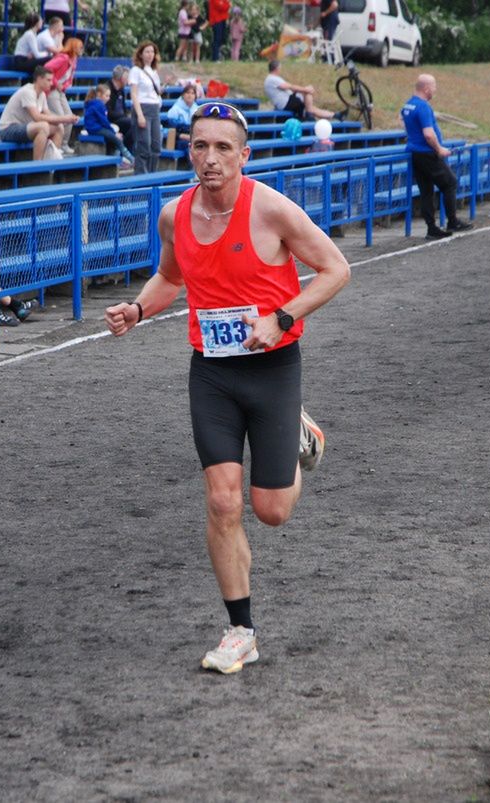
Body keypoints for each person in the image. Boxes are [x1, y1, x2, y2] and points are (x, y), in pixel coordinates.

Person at [104, 101, 349, 675]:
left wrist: (281, 319)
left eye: (222, 147)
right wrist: (137, 309)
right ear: (188, 151)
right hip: (212, 372)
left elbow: (336, 269)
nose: (210, 158)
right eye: (199, 146)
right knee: (221, 500)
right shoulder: (174, 215)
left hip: (273, 368)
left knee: (271, 510)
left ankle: (298, 434)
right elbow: (169, 277)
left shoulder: (271, 210)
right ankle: (240, 630)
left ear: (244, 155)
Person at [401, 73, 472, 240]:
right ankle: (452, 221)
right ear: (426, 88)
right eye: (433, 87)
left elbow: (402, 120)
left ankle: (431, 228)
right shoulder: (423, 107)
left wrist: (413, 136)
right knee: (450, 182)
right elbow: (428, 134)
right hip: (427, 153)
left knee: (426, 191)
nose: (435, 90)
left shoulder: (408, 105)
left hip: (415, 153)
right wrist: (439, 149)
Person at [0, 66, 77, 162]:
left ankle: (51, 163)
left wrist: (64, 120)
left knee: (59, 127)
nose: (51, 83)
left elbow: (48, 114)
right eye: (48, 80)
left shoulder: (42, 94)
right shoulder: (28, 92)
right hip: (8, 129)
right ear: (39, 79)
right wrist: (64, 119)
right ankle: (37, 164)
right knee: (43, 127)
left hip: (25, 128)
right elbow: (37, 117)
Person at [129, 41, 164, 174]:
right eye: (147, 52)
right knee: (144, 145)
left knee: (156, 145)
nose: (150, 55)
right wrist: (140, 115)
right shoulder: (136, 70)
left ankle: (152, 173)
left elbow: (155, 91)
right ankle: (141, 175)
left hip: (154, 108)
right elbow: (134, 93)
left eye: (152, 52)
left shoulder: (154, 71)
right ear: (141, 54)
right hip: (142, 107)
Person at [264, 59, 339, 121]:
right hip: (286, 103)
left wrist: (305, 90)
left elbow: (291, 89)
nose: (281, 70)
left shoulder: (273, 78)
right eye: (280, 68)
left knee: (310, 105)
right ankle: (310, 113)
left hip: (289, 101)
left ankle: (334, 115)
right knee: (307, 96)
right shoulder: (272, 79)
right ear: (277, 68)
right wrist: (306, 90)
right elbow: (290, 87)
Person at [44, 37, 83, 154]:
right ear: (74, 47)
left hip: (61, 91)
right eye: (80, 47)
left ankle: (64, 144)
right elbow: (47, 67)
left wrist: (64, 86)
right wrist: (56, 83)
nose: (82, 49)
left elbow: (69, 78)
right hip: (52, 90)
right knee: (61, 116)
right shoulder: (63, 57)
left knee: (69, 116)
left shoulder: (74, 60)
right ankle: (56, 145)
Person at [83, 83, 135, 167]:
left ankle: (117, 161)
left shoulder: (97, 104)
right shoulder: (98, 105)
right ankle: (130, 158)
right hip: (95, 128)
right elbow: (104, 121)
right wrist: (113, 132)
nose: (109, 98)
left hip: (96, 127)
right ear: (99, 95)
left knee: (115, 139)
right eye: (106, 96)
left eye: (109, 96)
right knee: (117, 139)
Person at [107, 64, 135, 154]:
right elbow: (108, 112)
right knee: (132, 123)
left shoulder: (121, 90)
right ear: (121, 78)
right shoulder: (107, 89)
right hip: (111, 120)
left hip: (121, 119)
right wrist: (123, 116)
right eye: (127, 77)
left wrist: (125, 116)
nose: (128, 80)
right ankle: (124, 150)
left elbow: (124, 108)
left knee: (135, 124)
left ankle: (127, 151)